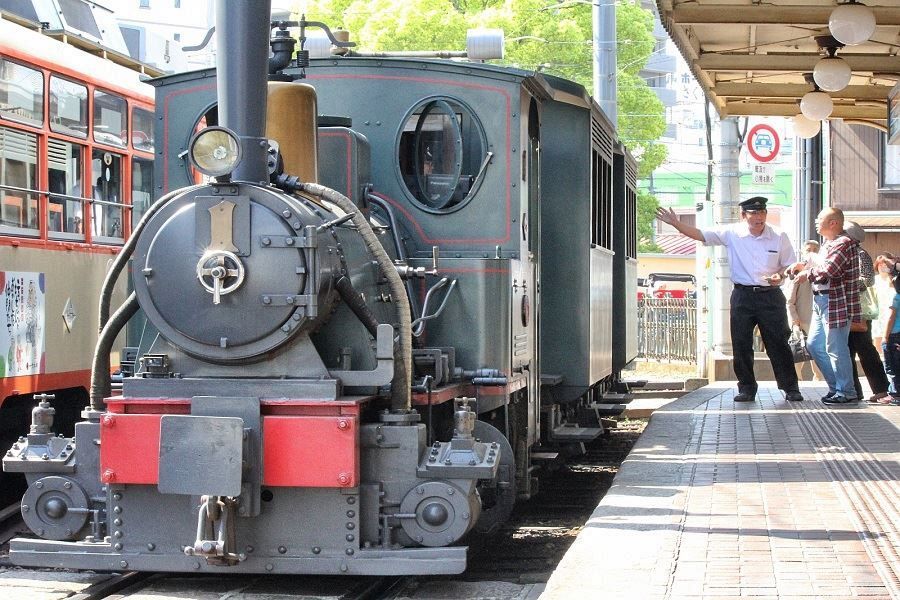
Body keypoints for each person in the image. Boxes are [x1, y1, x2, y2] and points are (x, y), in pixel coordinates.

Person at [656, 196, 802, 402]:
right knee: (741, 343)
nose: (759, 218)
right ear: (744, 216)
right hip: (742, 295)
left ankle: (791, 387)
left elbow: (789, 265)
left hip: (770, 296)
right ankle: (746, 388)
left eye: (762, 213)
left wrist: (781, 275)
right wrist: (677, 224)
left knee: (778, 343)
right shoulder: (732, 233)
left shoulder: (779, 235)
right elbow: (700, 234)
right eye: (754, 214)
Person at [788, 207, 860, 404]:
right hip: (821, 300)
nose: (815, 221)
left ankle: (846, 391)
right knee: (814, 345)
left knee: (836, 348)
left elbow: (831, 269)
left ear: (833, 223)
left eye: (819, 218)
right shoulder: (828, 243)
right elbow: (821, 266)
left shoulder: (843, 243)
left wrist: (806, 273)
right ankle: (837, 387)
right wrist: (803, 267)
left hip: (836, 300)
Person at [843, 222, 889, 402]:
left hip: (859, 310)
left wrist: (846, 286)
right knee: (847, 351)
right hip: (845, 309)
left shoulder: (860, 254)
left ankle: (882, 389)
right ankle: (854, 390)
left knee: (865, 349)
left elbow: (868, 280)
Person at [786, 239, 821, 381]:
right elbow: (789, 300)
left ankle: (819, 378)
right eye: (808, 250)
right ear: (802, 252)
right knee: (798, 349)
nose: (811, 252)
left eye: (814, 249)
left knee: (817, 350)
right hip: (801, 318)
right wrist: (794, 318)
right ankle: (797, 380)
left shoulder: (821, 270)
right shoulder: (797, 271)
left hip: (818, 317)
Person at [878, 274, 900, 406]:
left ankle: (895, 394)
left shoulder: (895, 298)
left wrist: (885, 337)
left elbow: (891, 318)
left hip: (893, 335)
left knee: (892, 366)